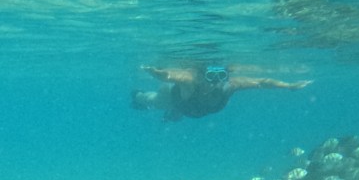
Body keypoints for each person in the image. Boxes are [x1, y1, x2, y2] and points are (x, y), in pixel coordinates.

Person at [131, 62, 310, 123]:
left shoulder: (230, 85)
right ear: (202, 76)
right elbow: (170, 76)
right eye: (210, 76)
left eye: (221, 76)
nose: (215, 82)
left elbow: (261, 82)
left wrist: (288, 86)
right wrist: (155, 72)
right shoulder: (191, 82)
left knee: (175, 116)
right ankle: (137, 96)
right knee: (151, 101)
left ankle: (173, 115)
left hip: (191, 109)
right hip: (173, 97)